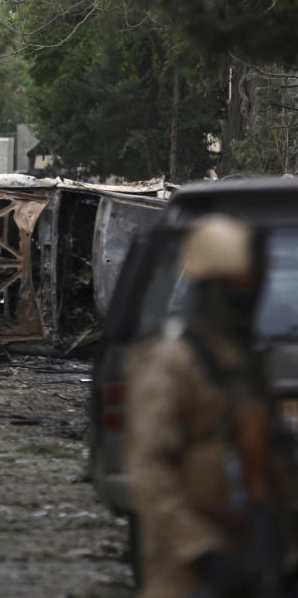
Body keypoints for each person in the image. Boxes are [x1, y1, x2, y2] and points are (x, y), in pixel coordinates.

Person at [125, 214, 285, 598]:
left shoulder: (244, 362)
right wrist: (202, 552)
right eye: (240, 286)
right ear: (214, 287)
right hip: (190, 569)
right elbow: (149, 471)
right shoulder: (170, 359)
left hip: (254, 553)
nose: (252, 295)